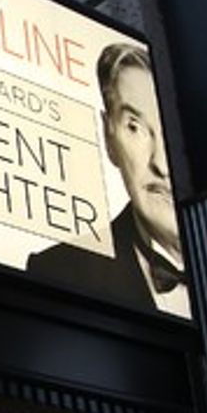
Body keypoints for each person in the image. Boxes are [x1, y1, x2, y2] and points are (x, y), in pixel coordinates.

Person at [27, 43, 187, 316]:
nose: (160, 164)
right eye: (134, 127)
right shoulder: (60, 271)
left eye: (170, 130)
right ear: (108, 134)